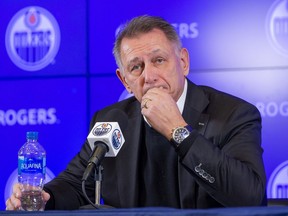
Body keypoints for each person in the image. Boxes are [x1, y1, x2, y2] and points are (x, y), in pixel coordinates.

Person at [6, 15, 266, 210]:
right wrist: (44, 199)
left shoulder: (234, 114)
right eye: (136, 67)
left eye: (159, 60)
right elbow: (76, 183)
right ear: (125, 81)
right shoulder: (111, 121)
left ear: (183, 62)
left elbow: (249, 196)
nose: (150, 76)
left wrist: (178, 131)